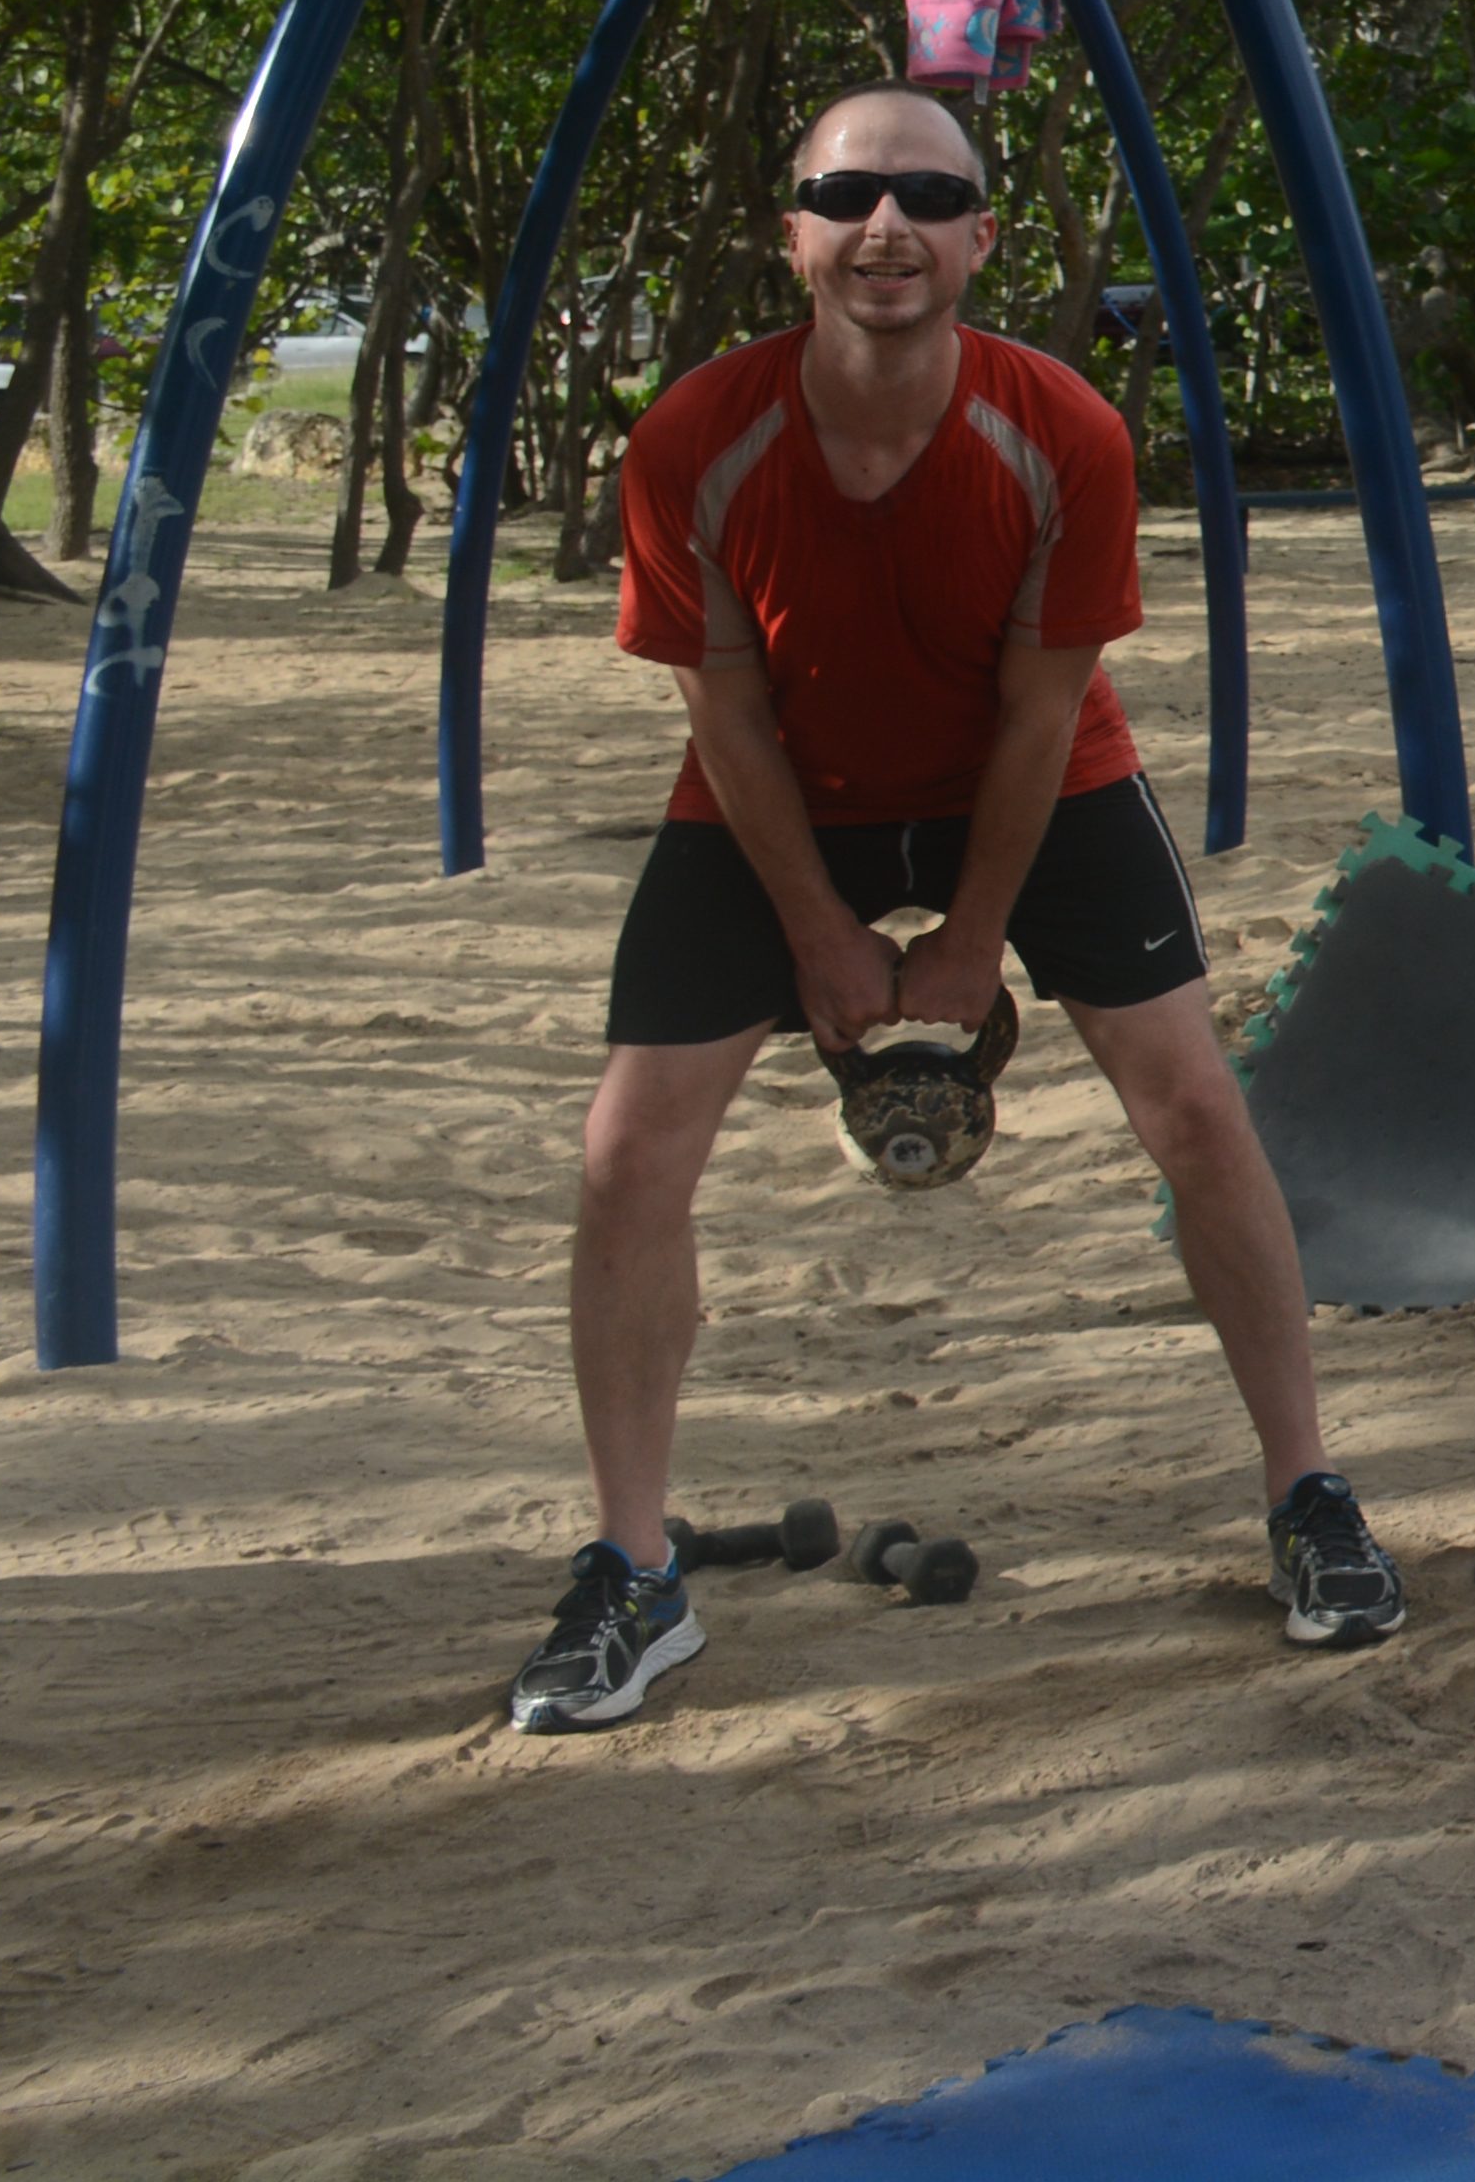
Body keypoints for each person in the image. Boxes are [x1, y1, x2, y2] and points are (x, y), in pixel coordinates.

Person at [508, 84, 1402, 1735]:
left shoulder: (1060, 429)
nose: (886, 225)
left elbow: (1043, 710)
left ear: (984, 235)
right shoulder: (695, 438)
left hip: (1031, 785)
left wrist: (972, 940)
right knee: (630, 1150)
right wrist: (823, 935)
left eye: (928, 193)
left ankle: (1310, 1499)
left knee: (1198, 1105)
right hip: (783, 791)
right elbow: (726, 717)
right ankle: (632, 1570)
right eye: (845, 192)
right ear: (794, 235)